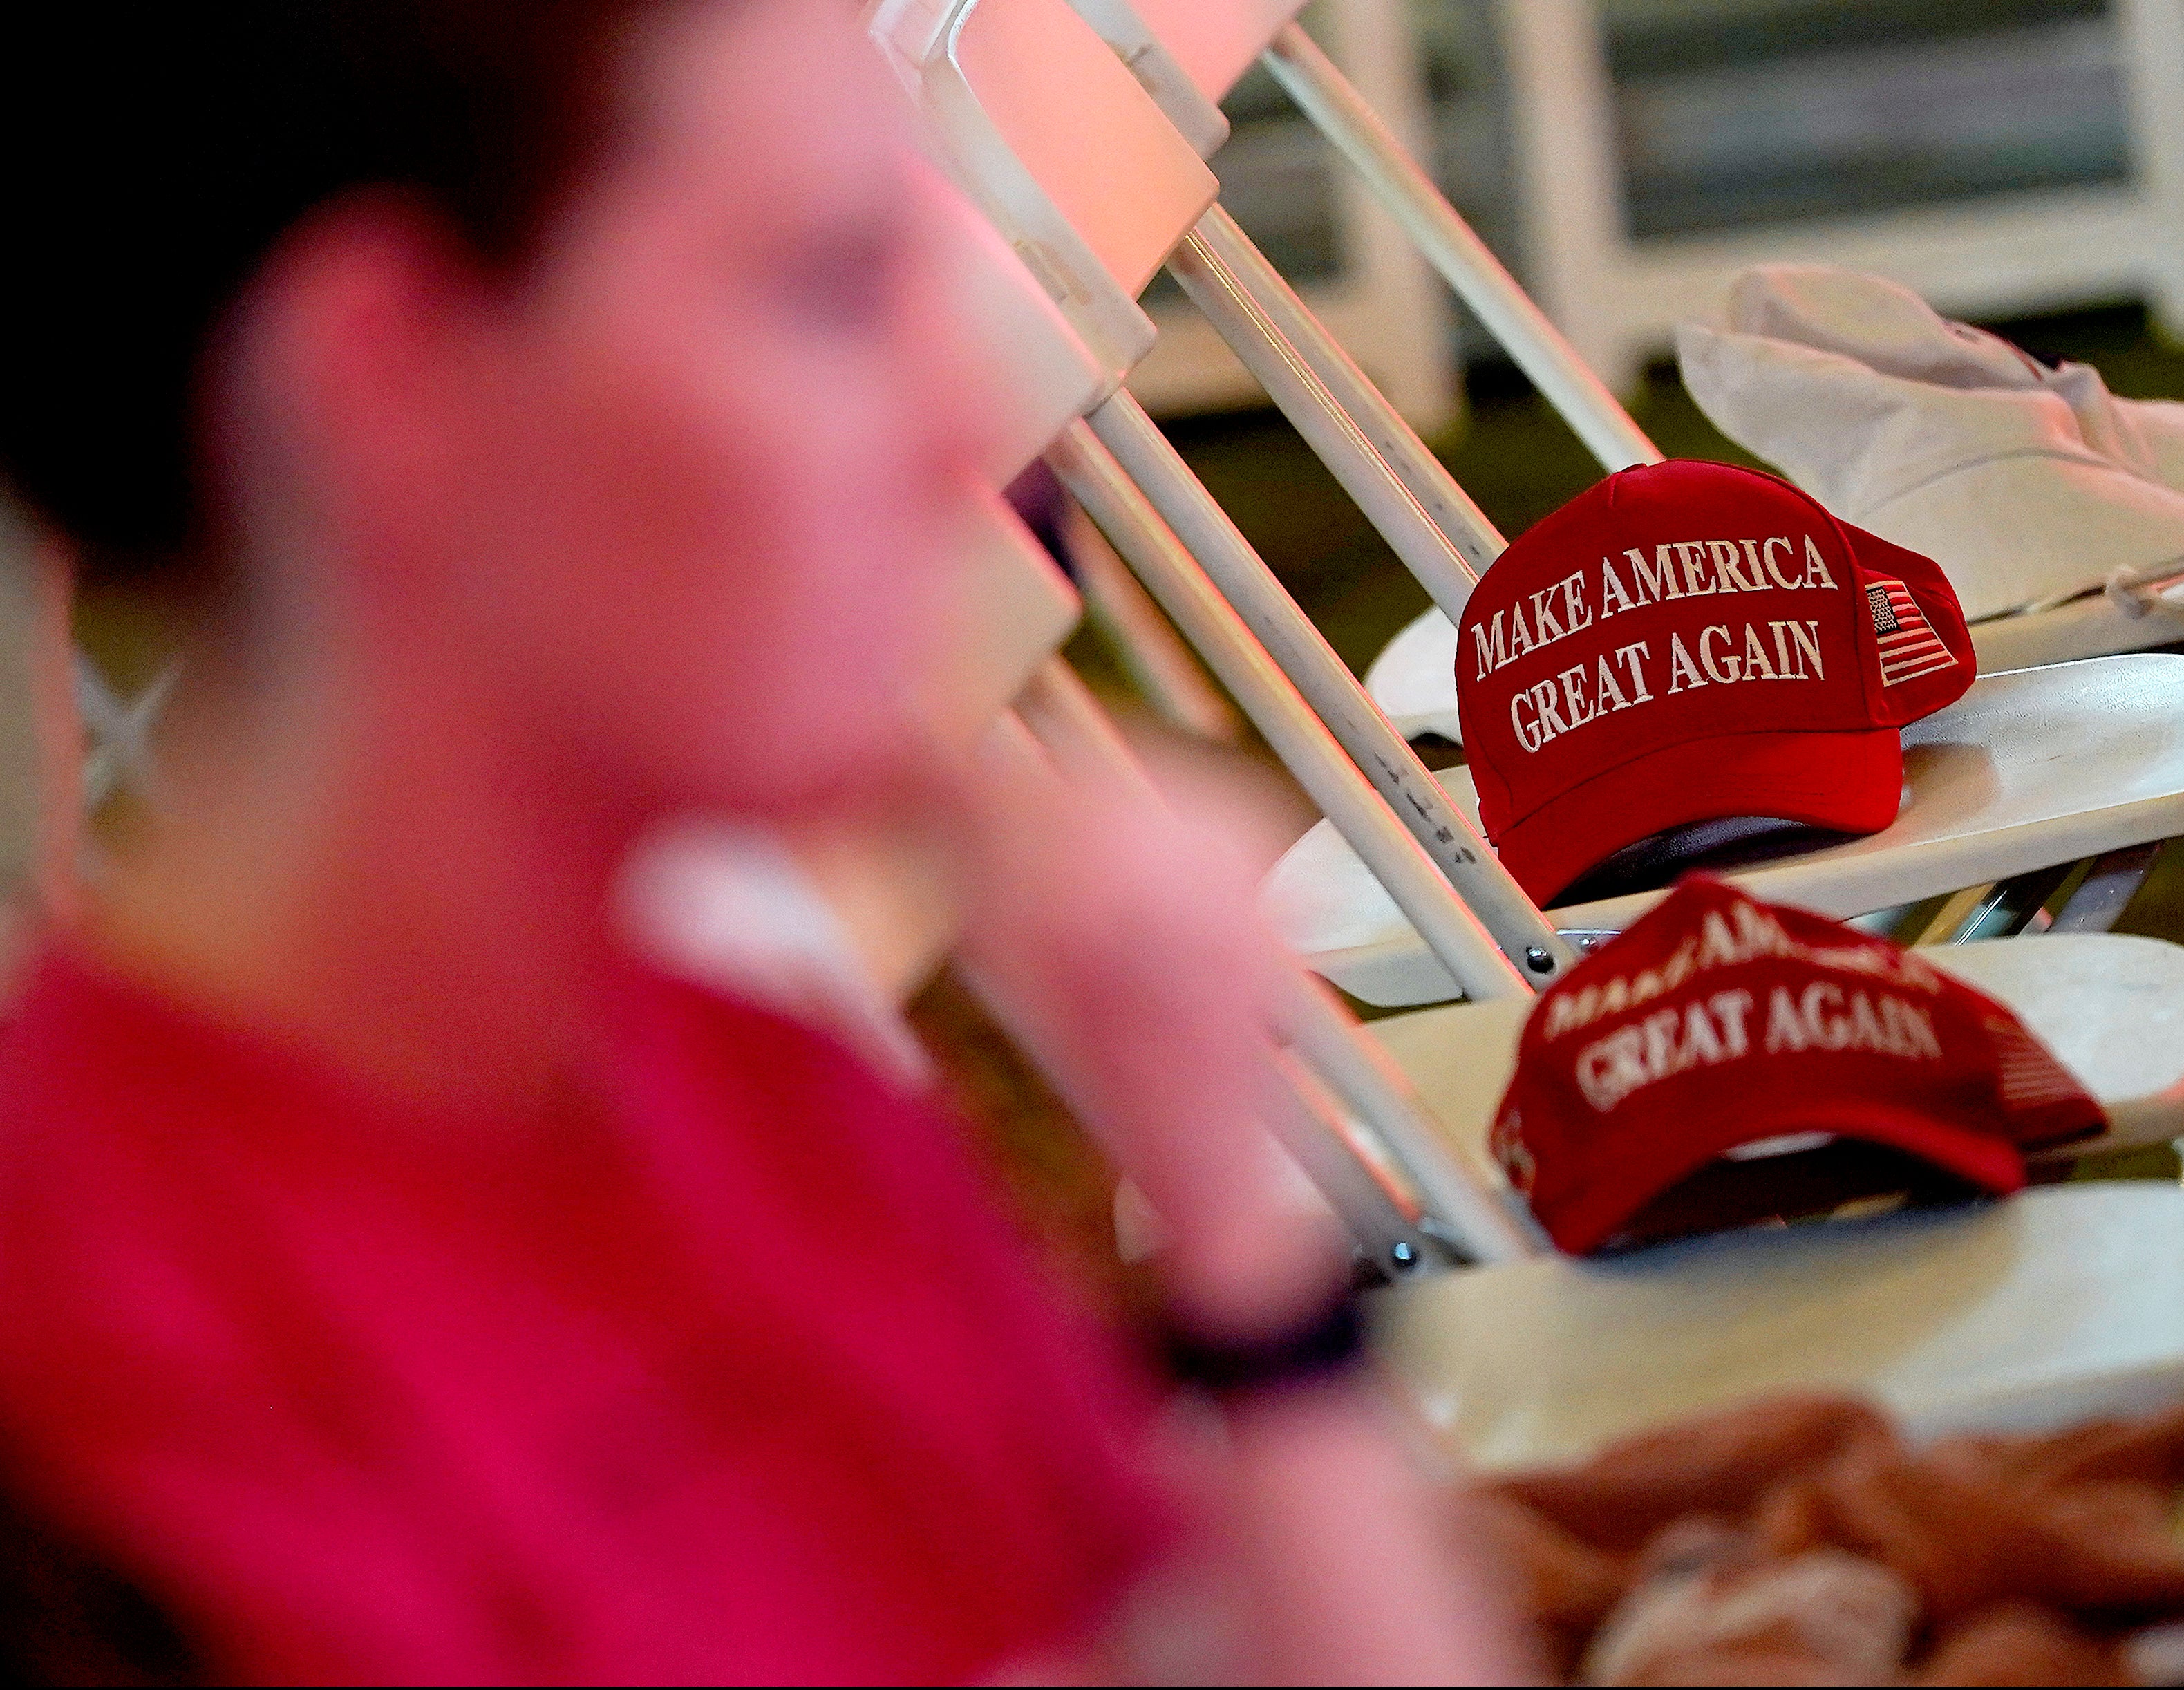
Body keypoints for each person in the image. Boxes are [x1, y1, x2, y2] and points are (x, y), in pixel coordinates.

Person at [0, 1, 1518, 1680]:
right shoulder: (100, 1372)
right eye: (826, 286)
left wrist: (1232, 1227)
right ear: (386, 379)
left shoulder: (772, 1097)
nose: (963, 437)